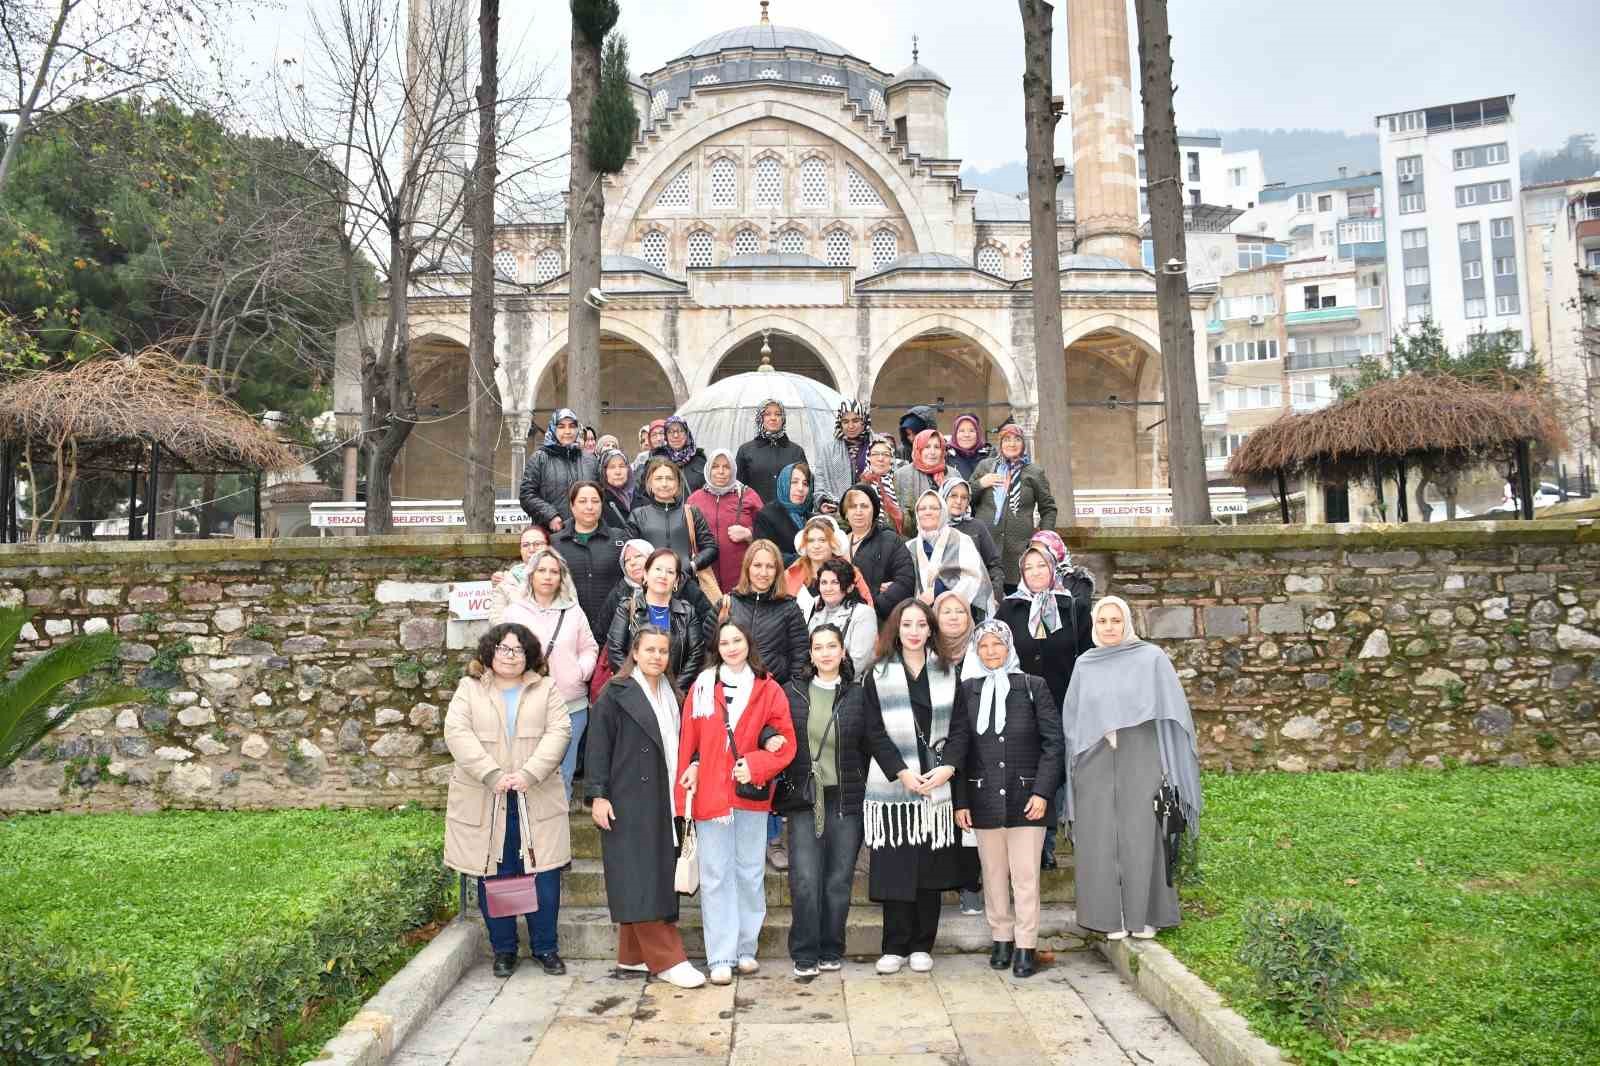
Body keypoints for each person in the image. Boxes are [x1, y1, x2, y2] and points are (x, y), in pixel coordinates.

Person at [1062, 596, 1202, 941]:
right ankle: (1110, 917)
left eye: (1115, 620)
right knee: (1099, 838)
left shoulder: (1151, 658)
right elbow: (1073, 718)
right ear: (1094, 626)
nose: (1109, 627)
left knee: (1142, 835)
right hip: (1094, 758)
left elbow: (1173, 712)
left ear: (1127, 622)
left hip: (1141, 754)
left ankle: (1146, 914)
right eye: (1102, 621)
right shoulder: (1085, 663)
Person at [444, 623, 573, 977]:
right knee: (497, 874)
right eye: (503, 648)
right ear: (490, 651)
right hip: (489, 796)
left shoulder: (546, 689)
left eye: (518, 649)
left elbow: (560, 731)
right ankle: (504, 949)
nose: (510, 655)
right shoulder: (468, 689)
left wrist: (529, 773)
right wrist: (492, 774)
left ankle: (545, 947)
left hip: (536, 794)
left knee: (543, 874)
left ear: (529, 655)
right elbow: (456, 733)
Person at [676, 620, 797, 985]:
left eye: (737, 640)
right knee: (715, 877)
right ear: (717, 646)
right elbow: (689, 743)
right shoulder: (701, 686)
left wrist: (758, 765)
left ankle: (746, 947)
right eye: (724, 641)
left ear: (749, 643)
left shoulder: (769, 688)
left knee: (749, 872)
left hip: (751, 795)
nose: (731, 647)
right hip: (712, 796)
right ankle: (721, 955)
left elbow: (786, 743)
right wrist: (685, 791)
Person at [587, 627, 706, 989]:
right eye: (650, 650)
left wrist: (696, 765)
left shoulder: (674, 693)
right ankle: (669, 959)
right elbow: (597, 746)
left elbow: (686, 742)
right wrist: (598, 795)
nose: (657, 656)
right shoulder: (615, 693)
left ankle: (633, 955)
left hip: (666, 797)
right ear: (635, 653)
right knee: (642, 878)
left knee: (653, 872)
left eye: (664, 651)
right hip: (627, 798)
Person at [945, 620, 1063, 978]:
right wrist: (961, 801)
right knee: (993, 875)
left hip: (1027, 798)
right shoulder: (967, 690)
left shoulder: (1033, 687)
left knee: (1024, 877)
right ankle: (1001, 940)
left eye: (998, 644)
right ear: (976, 652)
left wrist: (1042, 791)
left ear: (1009, 648)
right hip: (983, 800)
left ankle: (1026, 946)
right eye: (984, 646)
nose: (991, 651)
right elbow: (959, 748)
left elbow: (1053, 744)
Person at [861, 599, 964, 974]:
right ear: (896, 629)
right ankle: (894, 945)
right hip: (895, 789)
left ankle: (923, 944)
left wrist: (947, 768)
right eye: (907, 624)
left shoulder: (948, 672)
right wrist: (901, 772)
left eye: (922, 624)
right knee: (896, 867)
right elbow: (872, 731)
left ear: (931, 630)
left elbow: (960, 729)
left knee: (929, 870)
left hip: (936, 785)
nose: (915, 631)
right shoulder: (878, 673)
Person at [998, 532, 1095, 871]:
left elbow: (1087, 654)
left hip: (1064, 699)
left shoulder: (1072, 608)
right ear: (1021, 572)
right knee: (1029, 771)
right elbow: (1000, 655)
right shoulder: (1010, 608)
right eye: (1029, 567)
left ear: (1053, 568)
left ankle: (1051, 843)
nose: (1036, 572)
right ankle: (1033, 844)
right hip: (1023, 704)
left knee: (1056, 771)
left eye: (1042, 565)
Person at [778, 624, 867, 978]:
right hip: (805, 798)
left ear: (843, 652)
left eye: (833, 646)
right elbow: (773, 728)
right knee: (804, 877)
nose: (826, 653)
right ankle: (805, 950)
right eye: (819, 647)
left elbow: (872, 742)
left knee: (838, 878)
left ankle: (832, 947)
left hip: (845, 797)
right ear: (811, 654)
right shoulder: (792, 692)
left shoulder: (858, 695)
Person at [502, 549, 599, 804]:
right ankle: (529, 834)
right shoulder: (514, 612)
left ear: (561, 577)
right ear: (531, 575)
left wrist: (580, 672)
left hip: (571, 705)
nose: (547, 576)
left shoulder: (573, 611)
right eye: (542, 571)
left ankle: (557, 835)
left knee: (563, 774)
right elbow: (500, 653)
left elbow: (589, 648)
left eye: (554, 571)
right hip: (526, 704)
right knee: (528, 772)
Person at [930, 590, 985, 917]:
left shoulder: (984, 651)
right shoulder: (924, 653)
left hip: (976, 748)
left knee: (970, 820)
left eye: (959, 612)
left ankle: (970, 886)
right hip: (937, 747)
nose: (952, 617)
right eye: (946, 611)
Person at [710, 539, 810, 688]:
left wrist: (791, 690)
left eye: (770, 566)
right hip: (728, 691)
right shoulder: (727, 603)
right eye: (757, 565)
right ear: (747, 568)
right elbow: (708, 649)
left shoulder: (790, 609)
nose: (763, 573)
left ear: (777, 571)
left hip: (772, 693)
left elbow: (800, 656)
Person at [973, 425, 1059, 593]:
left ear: (1023, 443)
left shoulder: (1034, 472)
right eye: (1007, 439)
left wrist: (1043, 540)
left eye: (1017, 439)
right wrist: (980, 484)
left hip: (1018, 552)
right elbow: (965, 497)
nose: (1012, 444)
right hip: (986, 547)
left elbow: (1048, 509)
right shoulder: (985, 467)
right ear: (1000, 443)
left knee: (1017, 604)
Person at [607, 547, 705, 691]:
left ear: (677, 580)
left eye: (670, 572)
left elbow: (696, 655)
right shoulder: (627, 608)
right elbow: (615, 651)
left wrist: (673, 689)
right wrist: (641, 686)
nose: (663, 575)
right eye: (658, 569)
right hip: (635, 692)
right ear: (646, 575)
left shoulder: (687, 612)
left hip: (676, 694)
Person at [552, 482, 627, 644]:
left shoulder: (619, 539)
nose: (589, 506)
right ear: (572, 506)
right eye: (582, 501)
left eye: (595, 501)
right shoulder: (556, 543)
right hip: (569, 630)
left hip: (614, 629)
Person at [906, 489, 995, 620]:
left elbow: (975, 579)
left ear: (943, 512)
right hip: (921, 620)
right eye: (922, 508)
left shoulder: (962, 541)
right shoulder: (909, 547)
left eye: (934, 508)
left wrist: (938, 592)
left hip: (958, 615)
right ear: (917, 513)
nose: (928, 512)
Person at [629, 457, 717, 584]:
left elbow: (711, 547)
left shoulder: (692, 513)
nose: (664, 484)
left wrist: (692, 565)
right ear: (650, 483)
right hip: (651, 587)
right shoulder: (638, 515)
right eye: (658, 479)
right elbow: (630, 554)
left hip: (687, 585)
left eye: (669, 478)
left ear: (677, 483)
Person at [687, 449, 763, 595]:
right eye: (715, 466)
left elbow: (767, 534)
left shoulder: (748, 496)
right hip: (706, 580)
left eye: (726, 467)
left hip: (743, 578)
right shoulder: (694, 500)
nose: (721, 471)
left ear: (733, 469)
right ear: (708, 469)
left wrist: (749, 534)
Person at [840, 483, 915, 623]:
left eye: (864, 506)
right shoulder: (837, 543)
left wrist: (873, 608)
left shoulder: (890, 540)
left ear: (874, 510)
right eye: (852, 506)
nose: (858, 511)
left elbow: (905, 581)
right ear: (845, 512)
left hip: (879, 621)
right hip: (841, 621)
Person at [518, 408, 600, 531]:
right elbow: (527, 495)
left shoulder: (590, 461)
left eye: (572, 426)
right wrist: (550, 516)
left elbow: (599, 495)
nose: (567, 431)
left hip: (586, 533)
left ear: (578, 429)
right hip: (552, 534)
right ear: (553, 429)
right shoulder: (540, 458)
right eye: (561, 427)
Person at [805, 557, 878, 676]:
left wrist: (828, 681)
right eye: (824, 582)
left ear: (849, 587)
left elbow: (857, 663)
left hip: (850, 685)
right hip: (815, 682)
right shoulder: (813, 609)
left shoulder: (863, 614)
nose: (828, 588)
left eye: (835, 582)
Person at [785, 515, 873, 614]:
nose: (816, 546)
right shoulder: (790, 574)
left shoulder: (851, 573)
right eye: (811, 540)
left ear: (833, 543)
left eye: (822, 540)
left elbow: (867, 611)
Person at [737, 399, 808, 505]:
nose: (773, 418)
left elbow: (807, 485)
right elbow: (738, 487)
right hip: (756, 515)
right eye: (767, 414)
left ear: (783, 418)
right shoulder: (746, 451)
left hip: (789, 515)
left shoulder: (796, 451)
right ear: (760, 418)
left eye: (778, 414)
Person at [941, 479, 1006, 596]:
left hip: (976, 596)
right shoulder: (934, 528)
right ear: (943, 497)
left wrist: (995, 595)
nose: (958, 501)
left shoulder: (976, 527)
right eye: (953, 496)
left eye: (964, 497)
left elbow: (994, 565)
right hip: (941, 596)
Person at [598, 538, 653, 659]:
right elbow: (603, 637)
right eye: (627, 560)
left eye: (638, 556)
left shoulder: (672, 584)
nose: (633, 563)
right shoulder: (618, 594)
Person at [634, 415, 708, 502]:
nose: (676, 435)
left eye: (680, 431)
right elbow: (644, 495)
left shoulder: (700, 461)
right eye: (670, 432)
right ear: (666, 436)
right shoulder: (656, 460)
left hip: (696, 513)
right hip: (664, 514)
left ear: (687, 433)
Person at [753, 462, 815, 565]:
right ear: (784, 483)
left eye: (805, 484)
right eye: (794, 482)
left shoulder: (812, 519)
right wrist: (806, 559)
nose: (800, 488)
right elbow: (766, 553)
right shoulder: (767, 515)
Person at [893, 430, 952, 533]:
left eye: (937, 447)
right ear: (918, 449)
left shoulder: (953, 474)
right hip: (912, 538)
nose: (932, 452)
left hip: (948, 535)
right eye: (927, 447)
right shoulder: (902, 475)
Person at [489, 525, 552, 619]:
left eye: (537, 544)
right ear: (521, 550)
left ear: (548, 547)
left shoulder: (560, 577)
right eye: (526, 545)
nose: (531, 549)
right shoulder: (505, 581)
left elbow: (571, 616)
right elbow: (496, 618)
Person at [860, 435, 904, 531]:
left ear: (891, 459)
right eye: (875, 454)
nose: (880, 458)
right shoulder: (859, 489)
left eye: (886, 454)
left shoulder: (902, 487)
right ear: (868, 458)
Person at [598, 448, 638, 532]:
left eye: (622, 466)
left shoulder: (643, 501)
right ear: (604, 472)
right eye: (612, 467)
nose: (618, 472)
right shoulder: (599, 503)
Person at [835, 400, 874, 483]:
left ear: (864, 421)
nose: (851, 426)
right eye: (845, 422)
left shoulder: (879, 444)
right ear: (840, 424)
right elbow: (821, 485)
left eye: (856, 421)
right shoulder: (828, 451)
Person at [946, 414, 991, 481]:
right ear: (955, 434)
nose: (966, 435)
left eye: (971, 431)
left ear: (978, 433)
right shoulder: (945, 456)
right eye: (961, 431)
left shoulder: (989, 455)